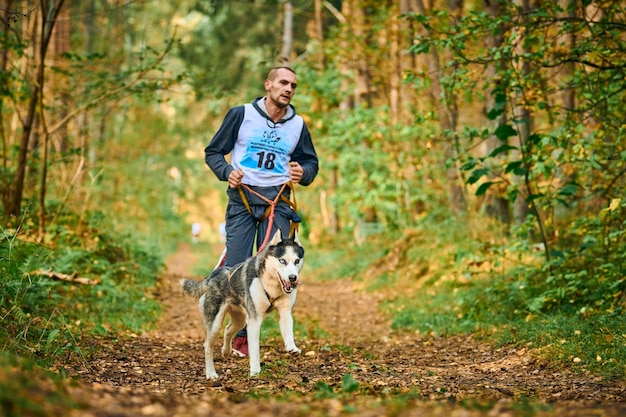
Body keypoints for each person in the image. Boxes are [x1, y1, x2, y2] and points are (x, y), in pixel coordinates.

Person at [204, 66, 319, 357]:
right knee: (240, 267)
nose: (288, 88)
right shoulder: (241, 114)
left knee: (273, 268)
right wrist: (227, 171)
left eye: (293, 84)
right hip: (242, 198)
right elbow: (213, 153)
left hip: (278, 201)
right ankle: (227, 267)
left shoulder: (298, 124)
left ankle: (244, 337)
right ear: (268, 85)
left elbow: (310, 164)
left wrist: (301, 170)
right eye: (283, 82)